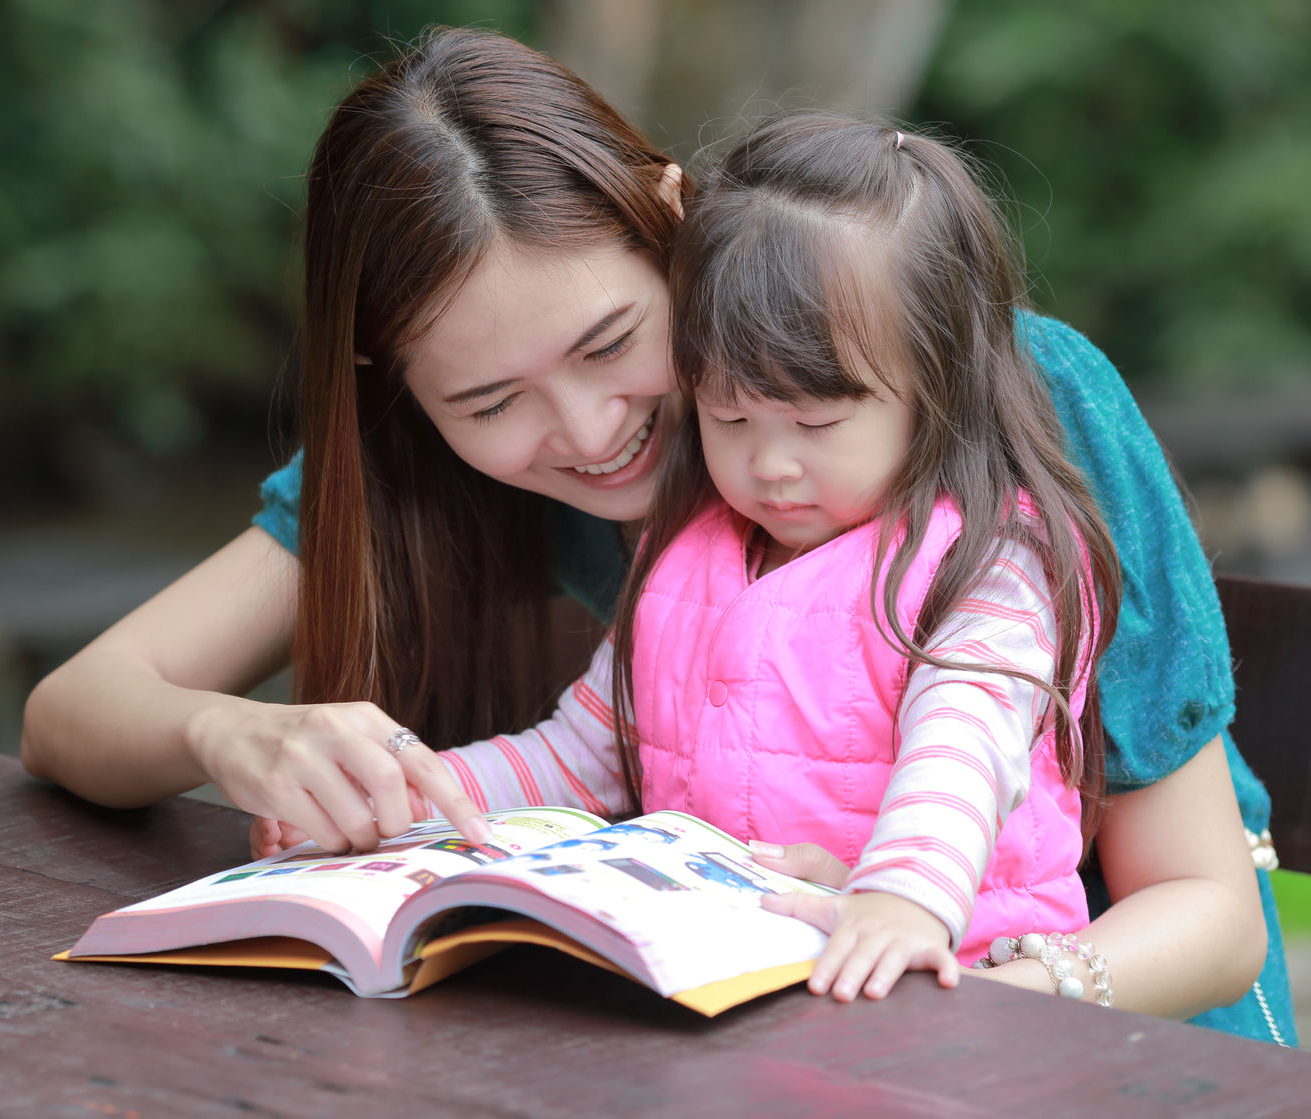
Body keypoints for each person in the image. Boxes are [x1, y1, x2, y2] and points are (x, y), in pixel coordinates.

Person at [20, 28, 1291, 1043]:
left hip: (1100, 1038)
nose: (585, 432)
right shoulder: (441, 466)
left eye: (611, 344)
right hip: (756, 1038)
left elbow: (1209, 915)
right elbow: (76, 711)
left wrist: (982, 989)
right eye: (487, 401)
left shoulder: (995, 409)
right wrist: (228, 732)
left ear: (673, 223)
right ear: (397, 385)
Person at [350, 109, 1121, 1001]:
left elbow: (965, 741)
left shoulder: (980, 558)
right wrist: (414, 794)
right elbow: (581, 751)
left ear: (935, 388)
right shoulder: (686, 554)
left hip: (953, 978)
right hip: (752, 986)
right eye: (729, 416)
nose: (771, 463)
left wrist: (904, 898)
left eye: (817, 421)